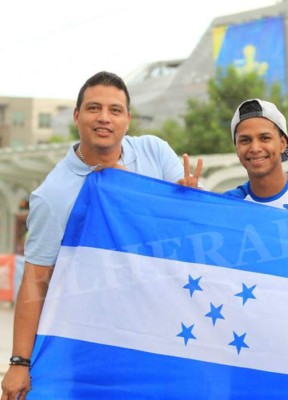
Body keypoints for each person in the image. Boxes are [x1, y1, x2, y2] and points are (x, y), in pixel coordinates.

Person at [1, 71, 202, 400]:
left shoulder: (154, 152)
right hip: (90, 341)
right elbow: (35, 279)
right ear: (77, 116)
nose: (104, 118)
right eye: (94, 108)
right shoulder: (53, 194)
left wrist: (188, 202)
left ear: (128, 119)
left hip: (164, 332)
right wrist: (19, 363)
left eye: (115, 110)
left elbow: (193, 229)